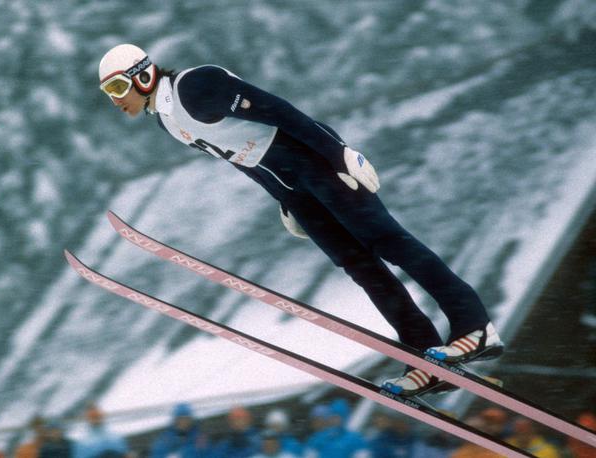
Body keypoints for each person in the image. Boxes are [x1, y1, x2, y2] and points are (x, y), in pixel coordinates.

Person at [96, 43, 504, 396]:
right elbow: (243, 158)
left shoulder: (193, 86)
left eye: (117, 87)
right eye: (107, 93)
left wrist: (339, 153)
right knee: (361, 267)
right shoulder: (169, 120)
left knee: (388, 241)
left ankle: (474, 322)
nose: (115, 100)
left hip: (315, 162)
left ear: (143, 76)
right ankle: (424, 355)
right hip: (291, 183)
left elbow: (279, 111)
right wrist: (285, 201)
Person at [304, 398, 370, 457]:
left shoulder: (354, 438)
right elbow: (310, 454)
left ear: (345, 417)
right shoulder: (319, 437)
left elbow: (362, 455)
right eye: (332, 416)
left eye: (338, 416)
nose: (334, 419)